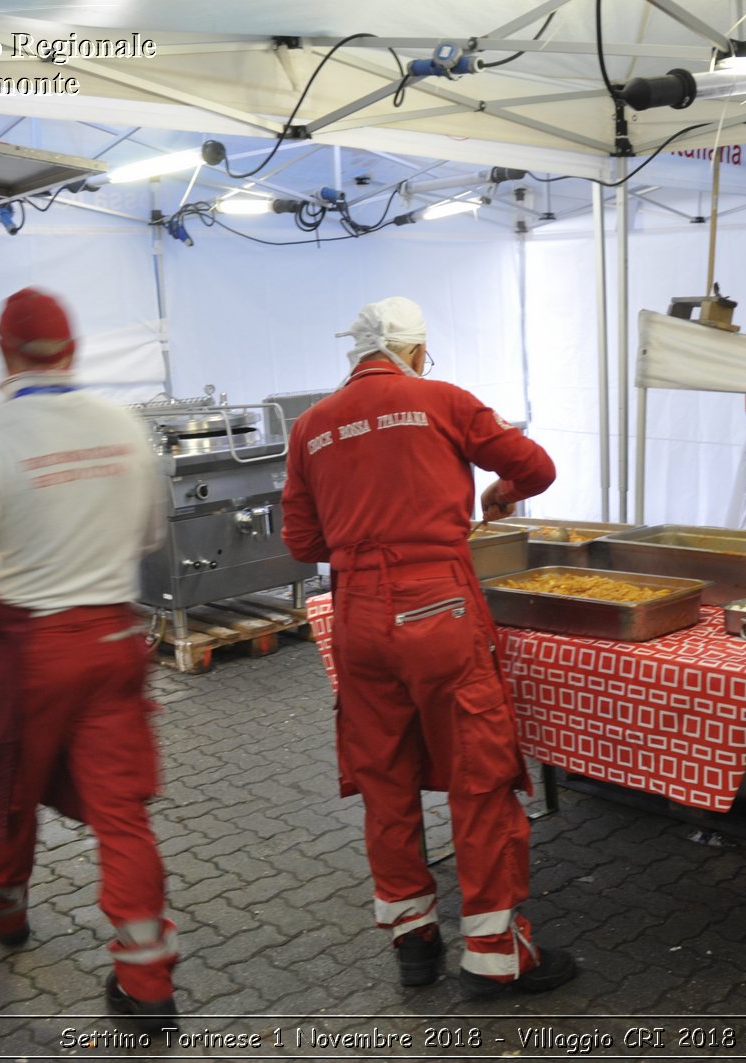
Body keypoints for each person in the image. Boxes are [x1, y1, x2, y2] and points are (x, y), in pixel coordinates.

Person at [280, 296, 576, 996]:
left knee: (384, 776)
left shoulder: (310, 426)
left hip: (356, 613)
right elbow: (536, 466)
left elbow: (301, 542)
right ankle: (496, 954)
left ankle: (414, 940)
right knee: (478, 770)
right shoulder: (442, 398)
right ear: (415, 352)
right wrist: (497, 494)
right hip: (436, 605)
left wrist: (360, 535)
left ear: (353, 358)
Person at [0, 288, 178, 1032]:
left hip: (27, 647)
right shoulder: (126, 429)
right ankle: (147, 986)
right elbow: (147, 536)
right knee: (121, 814)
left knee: (7, 789)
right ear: (73, 349)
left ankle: (2, 911)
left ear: (2, 352)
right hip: (112, 642)